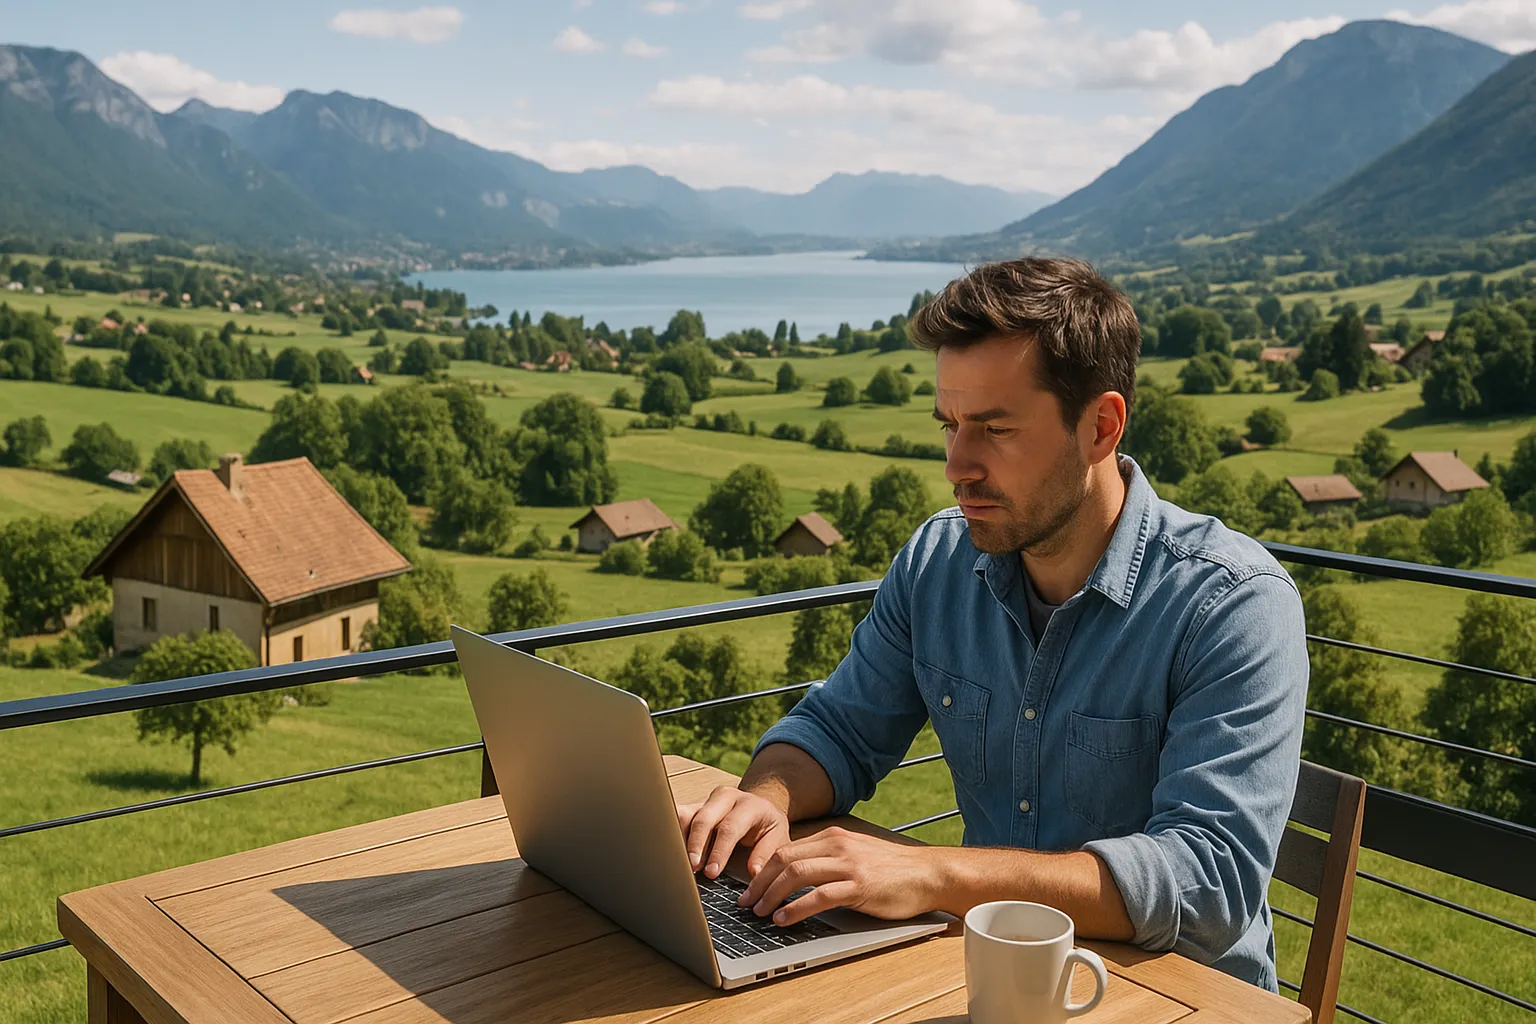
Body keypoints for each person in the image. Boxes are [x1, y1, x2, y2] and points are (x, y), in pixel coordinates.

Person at [675, 257, 1308, 992]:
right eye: (949, 425)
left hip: (1176, 997)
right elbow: (839, 731)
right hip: (987, 984)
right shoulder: (939, 561)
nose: (957, 465)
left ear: (1100, 427)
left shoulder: (1233, 603)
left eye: (994, 429)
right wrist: (764, 802)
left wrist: (933, 871)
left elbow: (1209, 880)